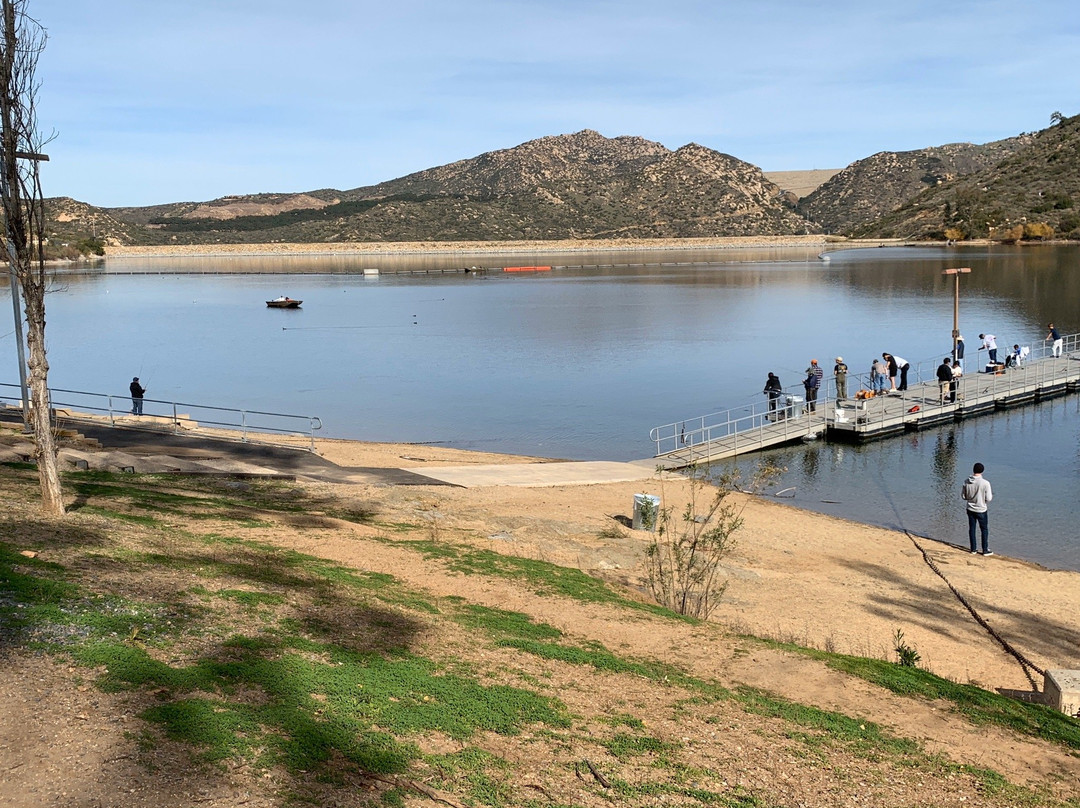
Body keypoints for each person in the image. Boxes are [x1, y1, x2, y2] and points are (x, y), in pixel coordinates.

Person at [961, 462, 993, 555]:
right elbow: (989, 498)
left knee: (972, 528)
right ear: (982, 471)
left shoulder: (966, 481)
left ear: (973, 470)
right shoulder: (985, 483)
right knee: (984, 529)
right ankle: (985, 549)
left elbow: (963, 496)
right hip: (981, 509)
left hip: (970, 508)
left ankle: (973, 549)